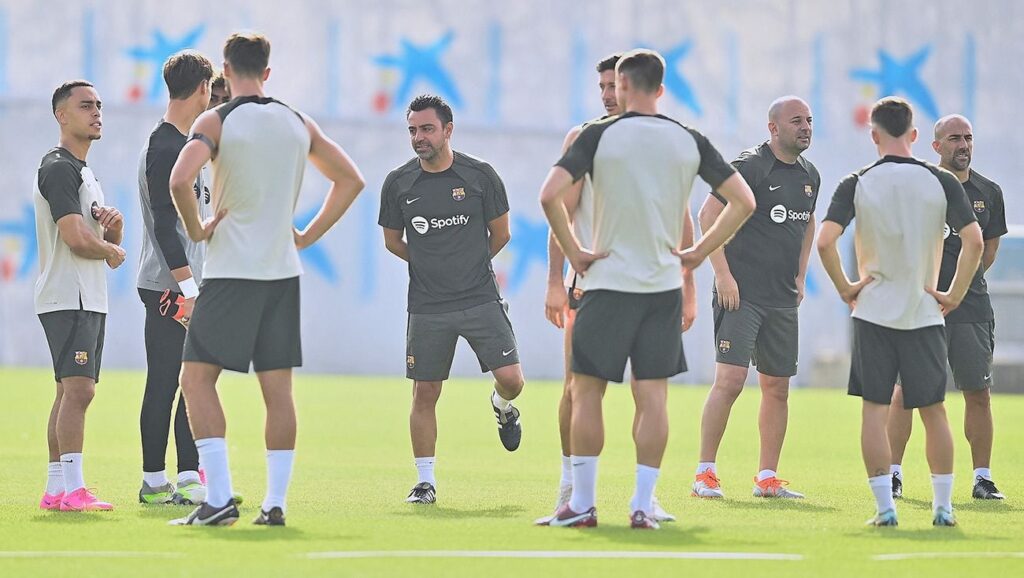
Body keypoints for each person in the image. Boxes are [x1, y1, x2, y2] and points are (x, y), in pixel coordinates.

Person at [540, 49, 755, 529]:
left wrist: (575, 252)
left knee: (586, 392)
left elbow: (549, 195)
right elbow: (744, 201)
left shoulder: (596, 136)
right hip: (661, 290)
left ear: (621, 85)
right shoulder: (689, 139)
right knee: (653, 397)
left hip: (606, 285)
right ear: (660, 89)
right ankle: (642, 503)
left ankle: (582, 503)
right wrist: (696, 254)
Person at [167, 32, 365, 526]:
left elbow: (179, 180)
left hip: (232, 273)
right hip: (282, 274)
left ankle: (219, 498)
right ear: (268, 72)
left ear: (227, 70)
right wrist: (306, 235)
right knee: (278, 392)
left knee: (195, 380)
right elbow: (351, 180)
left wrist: (198, 229)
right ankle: (274, 504)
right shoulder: (298, 121)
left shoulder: (216, 120)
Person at [536, 53, 688, 525]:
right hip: (593, 285)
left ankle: (646, 497)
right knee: (578, 389)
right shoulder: (587, 138)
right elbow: (561, 210)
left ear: (630, 86)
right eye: (602, 86)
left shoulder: (664, 141)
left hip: (652, 287)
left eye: (613, 85)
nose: (608, 94)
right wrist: (557, 280)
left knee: (650, 393)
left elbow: (679, 215)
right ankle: (571, 489)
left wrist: (690, 281)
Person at [817, 97, 982, 527]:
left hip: (872, 313)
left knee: (875, 410)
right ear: (914, 135)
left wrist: (845, 287)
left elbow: (825, 241)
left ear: (873, 135)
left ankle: (885, 509)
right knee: (934, 410)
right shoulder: (942, 181)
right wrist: (954, 294)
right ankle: (943, 508)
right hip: (924, 312)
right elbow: (975, 241)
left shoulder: (856, 181)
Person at [379, 94, 525, 505]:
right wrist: (432, 266)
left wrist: (468, 265)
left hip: (479, 297)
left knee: (513, 381)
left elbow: (501, 234)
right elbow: (392, 241)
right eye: (412, 130)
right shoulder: (399, 183)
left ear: (448, 130)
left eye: (427, 129)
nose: (419, 138)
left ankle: (502, 406)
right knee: (425, 392)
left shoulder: (480, 176)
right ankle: (425, 481)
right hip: (428, 305)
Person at [693, 96, 819, 500]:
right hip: (740, 294)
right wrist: (722, 274)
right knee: (730, 381)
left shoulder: (810, 174)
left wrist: (801, 276)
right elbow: (707, 215)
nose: (805, 127)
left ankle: (767, 478)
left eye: (809, 120)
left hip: (781, 297)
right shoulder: (750, 166)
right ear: (773, 128)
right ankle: (705, 474)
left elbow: (809, 221)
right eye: (796, 121)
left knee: (777, 387)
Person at [887, 114, 1008, 501]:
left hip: (971, 310)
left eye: (968, 138)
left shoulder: (989, 191)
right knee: (905, 392)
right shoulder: (918, 187)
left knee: (978, 392)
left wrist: (959, 287)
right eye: (954, 138)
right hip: (920, 307)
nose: (963, 145)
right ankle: (893, 474)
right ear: (936, 146)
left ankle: (983, 479)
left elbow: (989, 249)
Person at [35, 80, 127, 512]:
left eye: (99, 105)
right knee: (80, 391)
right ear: (62, 115)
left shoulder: (83, 171)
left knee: (68, 392)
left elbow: (95, 239)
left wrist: (113, 231)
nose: (97, 113)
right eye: (86, 106)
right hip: (68, 295)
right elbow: (74, 238)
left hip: (85, 295)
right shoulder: (58, 167)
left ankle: (56, 489)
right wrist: (111, 249)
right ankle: (74, 489)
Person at [135, 50, 214, 505]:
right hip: (169, 286)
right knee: (166, 381)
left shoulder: (186, 145)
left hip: (189, 283)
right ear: (202, 88)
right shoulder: (165, 146)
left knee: (191, 382)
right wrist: (188, 290)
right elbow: (164, 226)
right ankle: (153, 481)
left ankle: (187, 477)